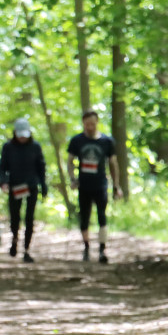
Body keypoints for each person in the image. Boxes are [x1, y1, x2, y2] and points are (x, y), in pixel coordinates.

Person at [66, 110, 122, 263]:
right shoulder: (77, 141)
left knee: (101, 216)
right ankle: (86, 247)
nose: (90, 127)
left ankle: (102, 249)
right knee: (84, 217)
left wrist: (116, 185)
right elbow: (70, 161)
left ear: (97, 122)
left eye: (92, 123)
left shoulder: (107, 141)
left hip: (100, 184)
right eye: (86, 124)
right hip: (83, 185)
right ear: (83, 123)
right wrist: (72, 178)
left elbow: (113, 163)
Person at [0, 118, 47, 263]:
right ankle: (14, 240)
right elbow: (2, 168)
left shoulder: (35, 147)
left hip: (31, 186)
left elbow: (41, 168)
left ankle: (26, 249)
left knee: (29, 218)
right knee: (14, 216)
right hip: (15, 186)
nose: (22, 138)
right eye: (20, 135)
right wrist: (3, 182)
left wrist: (43, 185)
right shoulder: (8, 147)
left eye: (24, 135)